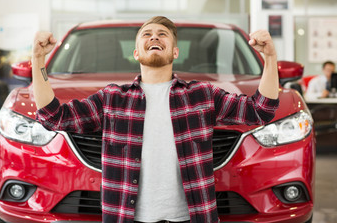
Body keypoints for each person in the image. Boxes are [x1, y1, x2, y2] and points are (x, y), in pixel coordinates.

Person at [33, 16, 279, 223]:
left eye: (162, 34)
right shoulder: (112, 99)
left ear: (175, 51)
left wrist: (269, 58)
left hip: (191, 217)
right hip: (127, 216)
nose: (154, 37)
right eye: (147, 34)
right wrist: (38, 61)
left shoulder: (201, 95)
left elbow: (261, 110)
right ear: (136, 53)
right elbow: (54, 117)